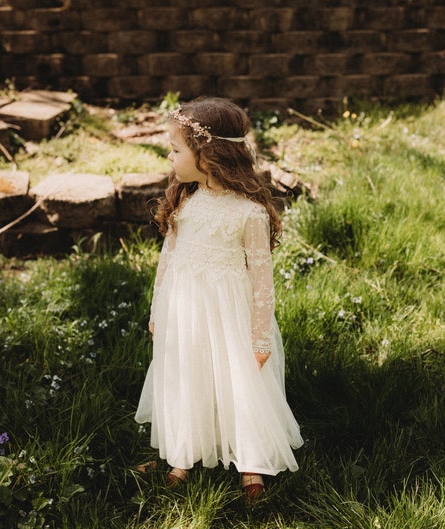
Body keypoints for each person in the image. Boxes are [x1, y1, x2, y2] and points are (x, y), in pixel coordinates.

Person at [134, 96, 303, 500]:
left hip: (229, 314)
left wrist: (260, 336)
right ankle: (182, 452)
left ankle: (252, 462)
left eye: (176, 150)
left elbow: (262, 281)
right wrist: (158, 309)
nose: (169, 157)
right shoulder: (185, 199)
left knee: (239, 382)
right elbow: (168, 259)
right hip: (185, 310)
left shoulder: (249, 213)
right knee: (188, 376)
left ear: (208, 155)